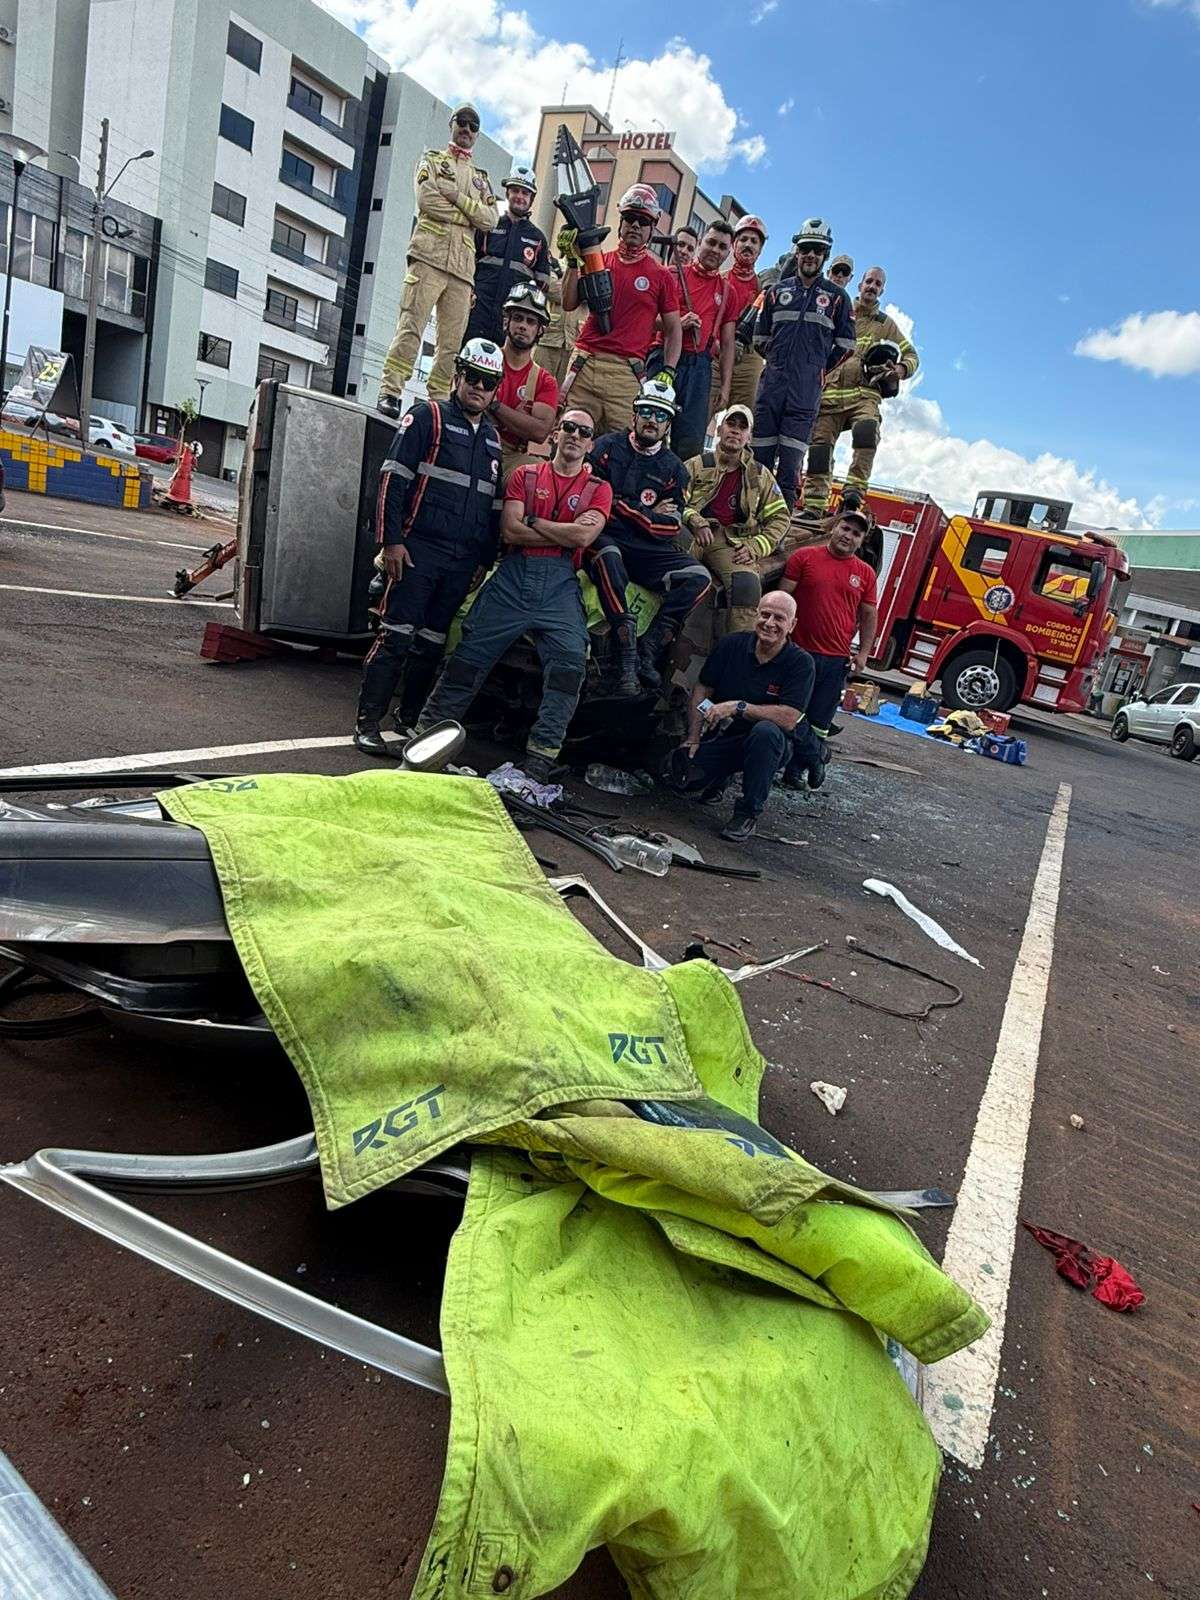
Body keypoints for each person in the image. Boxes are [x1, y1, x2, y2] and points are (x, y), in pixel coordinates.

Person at [414, 407, 612, 781]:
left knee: (570, 667)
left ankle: (538, 762)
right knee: (467, 658)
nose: (574, 435)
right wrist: (560, 530)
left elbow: (584, 538)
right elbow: (510, 532)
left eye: (583, 432)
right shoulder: (524, 474)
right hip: (514, 574)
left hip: (559, 584)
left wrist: (534, 521)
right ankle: (427, 737)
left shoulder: (599, 488)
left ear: (591, 443)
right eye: (568, 427)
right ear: (554, 433)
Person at [355, 339, 505, 756]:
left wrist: (482, 560)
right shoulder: (427, 417)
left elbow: (492, 510)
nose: (479, 387)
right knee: (396, 636)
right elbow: (392, 480)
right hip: (417, 551)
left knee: (432, 643)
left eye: (488, 381)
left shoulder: (492, 440)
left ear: (496, 388)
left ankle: (408, 721)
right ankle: (368, 722)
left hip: (461, 562)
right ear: (457, 375)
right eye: (472, 376)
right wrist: (392, 542)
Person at [585, 375, 710, 696]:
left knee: (698, 576)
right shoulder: (604, 448)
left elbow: (670, 527)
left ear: (668, 424)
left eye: (661, 416)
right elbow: (590, 500)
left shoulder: (674, 469)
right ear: (634, 414)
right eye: (647, 412)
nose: (652, 420)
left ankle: (650, 646)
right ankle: (627, 653)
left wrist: (618, 504)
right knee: (608, 554)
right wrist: (646, 513)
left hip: (647, 550)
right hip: (603, 537)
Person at [377, 105, 499, 419]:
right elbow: (426, 201)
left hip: (462, 269)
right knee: (410, 328)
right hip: (427, 257)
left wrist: (456, 197)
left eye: (474, 125)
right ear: (452, 124)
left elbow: (489, 219)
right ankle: (390, 391)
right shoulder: (432, 160)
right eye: (463, 122)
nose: (467, 129)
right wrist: (467, 215)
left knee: (451, 344)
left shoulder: (480, 179)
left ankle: (438, 403)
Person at [671, 591, 814, 843]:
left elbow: (790, 717)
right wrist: (693, 737)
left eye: (779, 618)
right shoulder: (731, 644)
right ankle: (718, 779)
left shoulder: (800, 663)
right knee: (680, 774)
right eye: (765, 614)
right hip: (726, 736)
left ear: (792, 625)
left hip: (769, 746)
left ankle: (747, 813)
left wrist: (739, 707)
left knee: (766, 732)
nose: (770, 623)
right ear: (756, 615)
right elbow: (703, 689)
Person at [798, 264, 919, 524]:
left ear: (882, 290)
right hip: (829, 394)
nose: (872, 287)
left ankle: (852, 496)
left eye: (878, 284)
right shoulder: (839, 310)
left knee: (866, 431)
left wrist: (900, 369)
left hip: (864, 395)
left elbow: (912, 355)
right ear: (859, 285)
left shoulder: (886, 325)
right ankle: (814, 505)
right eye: (869, 282)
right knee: (818, 451)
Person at [558, 183, 682, 437]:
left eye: (644, 221)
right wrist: (573, 261)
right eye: (630, 218)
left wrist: (669, 370)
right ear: (621, 221)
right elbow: (569, 303)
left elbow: (673, 329)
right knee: (569, 438)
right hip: (585, 362)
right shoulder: (597, 259)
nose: (636, 225)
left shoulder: (661, 275)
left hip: (627, 372)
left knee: (622, 447)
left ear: (653, 227)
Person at [751, 217, 855, 510]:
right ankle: (746, 523)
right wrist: (777, 363)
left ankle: (777, 530)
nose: (811, 255)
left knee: (789, 467)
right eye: (806, 248)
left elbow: (846, 346)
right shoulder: (776, 293)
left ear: (825, 256)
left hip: (805, 393)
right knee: (758, 464)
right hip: (771, 388)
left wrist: (816, 368)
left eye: (818, 250)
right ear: (796, 251)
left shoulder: (837, 298)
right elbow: (760, 338)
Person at [778, 505, 878, 788]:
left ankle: (795, 772)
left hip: (835, 660)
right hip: (798, 653)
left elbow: (869, 615)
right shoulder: (803, 557)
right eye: (845, 528)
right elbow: (782, 598)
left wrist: (863, 654)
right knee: (791, 714)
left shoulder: (866, 574)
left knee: (819, 721)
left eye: (856, 534)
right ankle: (816, 756)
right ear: (833, 528)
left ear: (861, 541)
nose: (849, 536)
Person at [681, 404, 790, 632]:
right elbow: (673, 500)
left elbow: (780, 518)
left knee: (747, 586)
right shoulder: (697, 464)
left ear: (749, 436)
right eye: (731, 424)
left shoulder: (760, 475)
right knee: (672, 573)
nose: (735, 431)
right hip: (688, 533)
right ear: (720, 429)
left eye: (743, 427)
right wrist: (694, 519)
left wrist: (755, 546)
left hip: (728, 541)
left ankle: (737, 654)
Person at [648, 219, 736, 462]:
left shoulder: (728, 291)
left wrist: (726, 388)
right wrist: (675, 323)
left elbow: (728, 344)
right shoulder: (670, 275)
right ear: (700, 244)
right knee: (649, 432)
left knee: (690, 444)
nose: (715, 250)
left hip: (700, 368)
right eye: (711, 242)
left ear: (729, 252)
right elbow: (644, 320)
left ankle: (677, 497)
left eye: (722, 246)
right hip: (662, 358)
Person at [465, 163, 551, 346]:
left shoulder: (538, 239)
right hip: (477, 313)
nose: (519, 196)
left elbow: (542, 287)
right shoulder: (488, 225)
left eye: (525, 193)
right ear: (507, 193)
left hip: (510, 322)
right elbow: (467, 264)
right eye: (515, 191)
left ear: (532, 198)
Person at [490, 283, 559, 477]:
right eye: (518, 318)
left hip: (510, 457)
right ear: (506, 322)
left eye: (531, 322)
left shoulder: (545, 381)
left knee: (540, 478)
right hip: (470, 441)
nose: (523, 326)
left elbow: (539, 432)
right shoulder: (484, 356)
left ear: (540, 331)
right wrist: (518, 420)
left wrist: (495, 406)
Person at [712, 215, 768, 417]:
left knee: (743, 418)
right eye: (743, 239)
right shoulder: (719, 280)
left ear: (760, 250)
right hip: (716, 354)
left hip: (749, 357)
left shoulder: (764, 287)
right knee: (701, 412)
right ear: (734, 244)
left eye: (754, 241)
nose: (748, 245)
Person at [540, 259, 586, 388]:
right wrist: (579, 287)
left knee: (565, 391)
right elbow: (551, 289)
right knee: (536, 384)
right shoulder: (556, 264)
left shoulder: (593, 267)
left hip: (575, 343)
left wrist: (568, 284)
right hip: (549, 339)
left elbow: (592, 295)